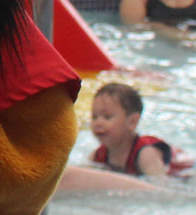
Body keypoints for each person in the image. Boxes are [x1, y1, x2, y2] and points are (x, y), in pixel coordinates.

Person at [56, 83, 184, 193]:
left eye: (107, 117)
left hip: (183, 174)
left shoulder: (145, 153)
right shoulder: (98, 155)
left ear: (132, 122)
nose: (98, 123)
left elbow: (160, 188)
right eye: (94, 117)